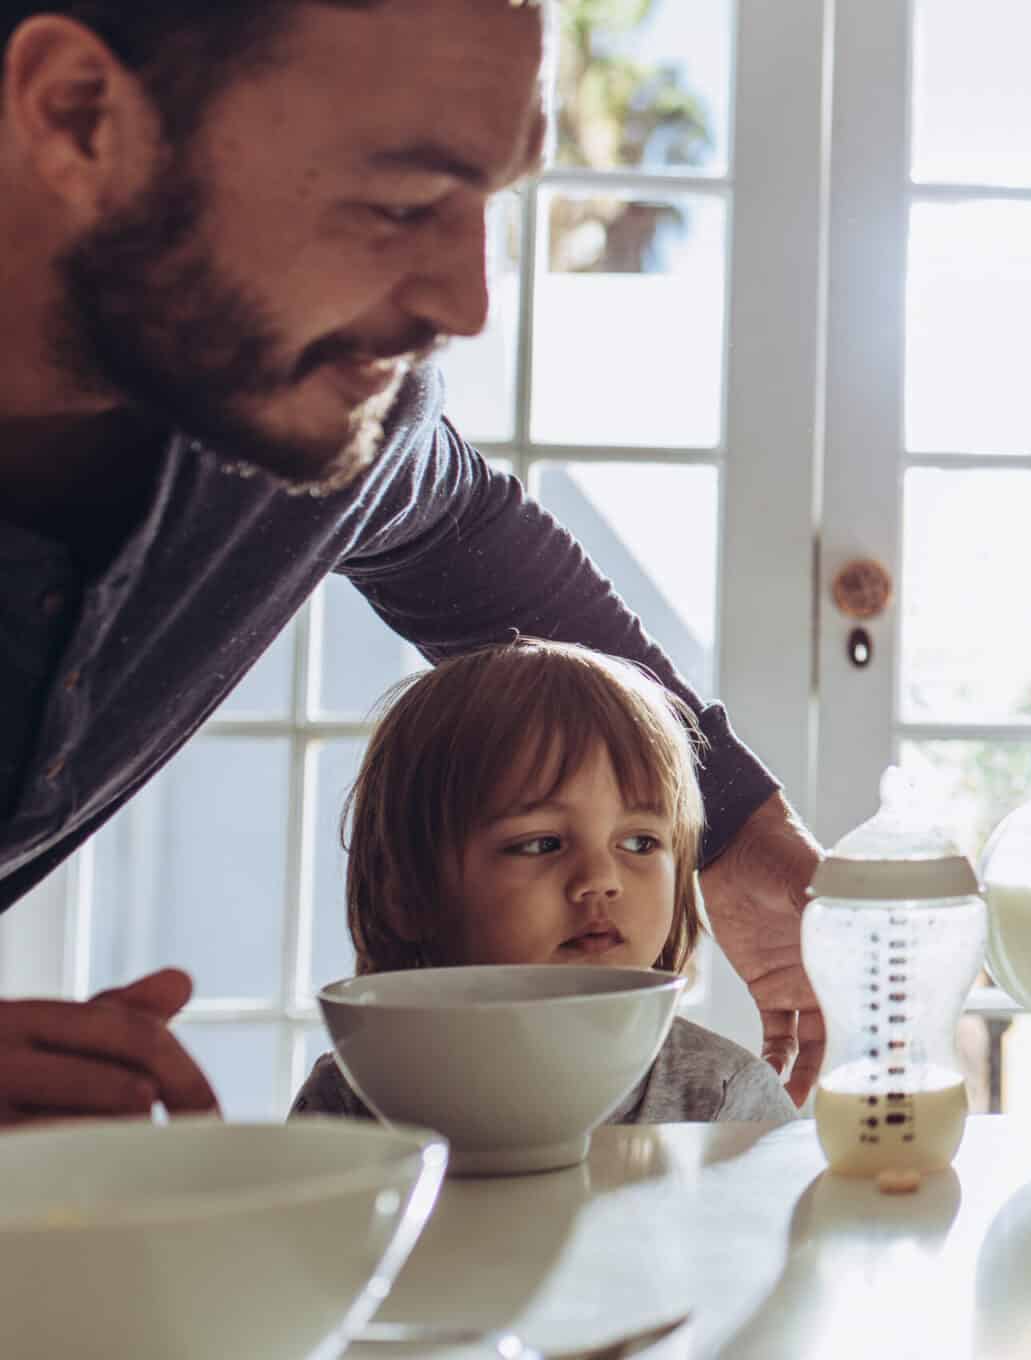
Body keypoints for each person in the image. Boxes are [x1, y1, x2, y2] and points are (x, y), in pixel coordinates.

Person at [0, 0, 822, 1124]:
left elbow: (468, 541)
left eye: (489, 201)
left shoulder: (321, 415)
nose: (466, 306)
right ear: (80, 114)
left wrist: (729, 822)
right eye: (398, 202)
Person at [291, 640, 798, 1127]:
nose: (600, 880)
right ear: (407, 893)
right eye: (541, 844)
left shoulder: (725, 1101)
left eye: (640, 843)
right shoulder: (348, 1102)